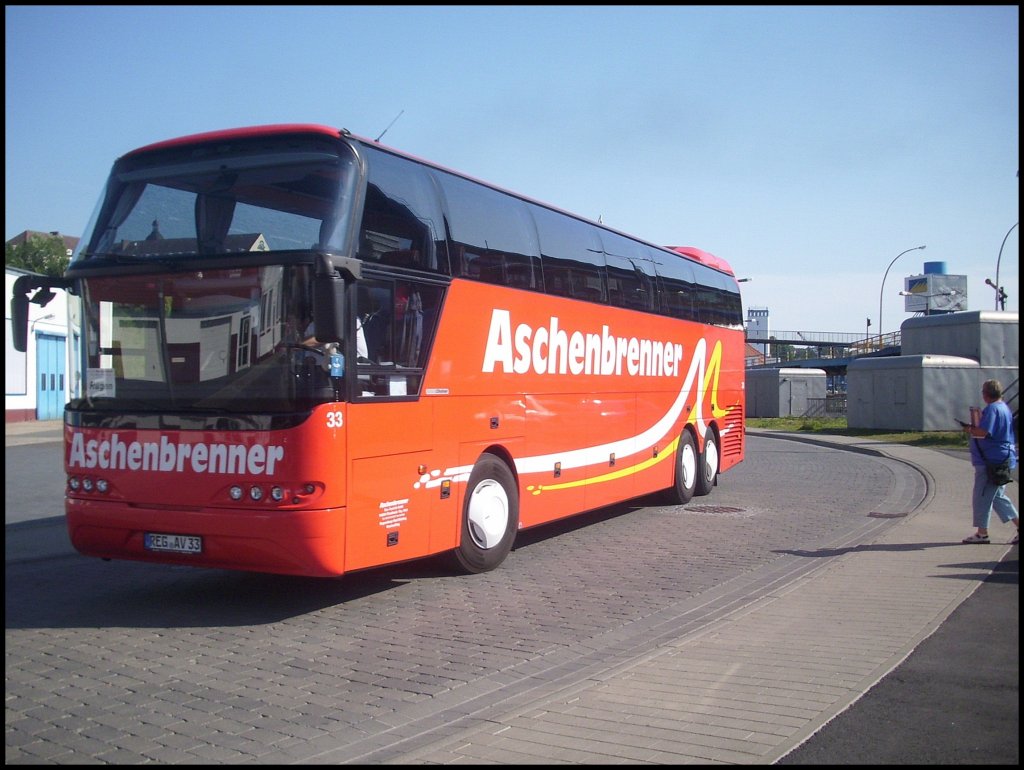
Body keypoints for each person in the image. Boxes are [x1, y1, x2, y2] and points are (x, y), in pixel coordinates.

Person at [960, 379, 1019, 544]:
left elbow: (983, 431)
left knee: (982, 496)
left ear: (986, 394)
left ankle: (982, 533)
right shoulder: (1004, 408)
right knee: (998, 497)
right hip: (1002, 457)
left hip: (991, 460)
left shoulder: (993, 410)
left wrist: (969, 429)